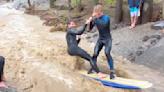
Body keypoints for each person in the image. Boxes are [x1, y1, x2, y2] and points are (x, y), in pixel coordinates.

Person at [87, 5, 116, 79]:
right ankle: (93, 68)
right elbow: (89, 29)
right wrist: (90, 21)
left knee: (107, 53)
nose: (98, 15)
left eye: (99, 14)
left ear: (102, 12)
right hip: (100, 39)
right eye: (97, 14)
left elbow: (103, 25)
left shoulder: (107, 17)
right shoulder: (95, 19)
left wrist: (95, 18)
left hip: (107, 39)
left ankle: (112, 72)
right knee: (95, 53)